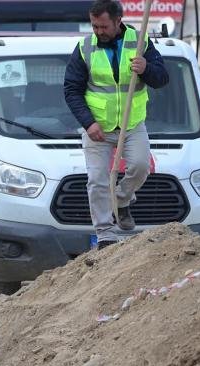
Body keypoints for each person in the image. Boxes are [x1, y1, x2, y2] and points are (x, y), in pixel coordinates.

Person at [64, 0, 169, 249]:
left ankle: (120, 201)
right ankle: (105, 235)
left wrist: (146, 68)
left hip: (131, 124)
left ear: (117, 21)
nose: (98, 31)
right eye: (94, 26)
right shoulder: (85, 47)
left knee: (141, 167)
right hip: (97, 127)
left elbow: (162, 78)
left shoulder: (140, 40)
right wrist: (88, 123)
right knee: (97, 179)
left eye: (103, 26)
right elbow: (71, 90)